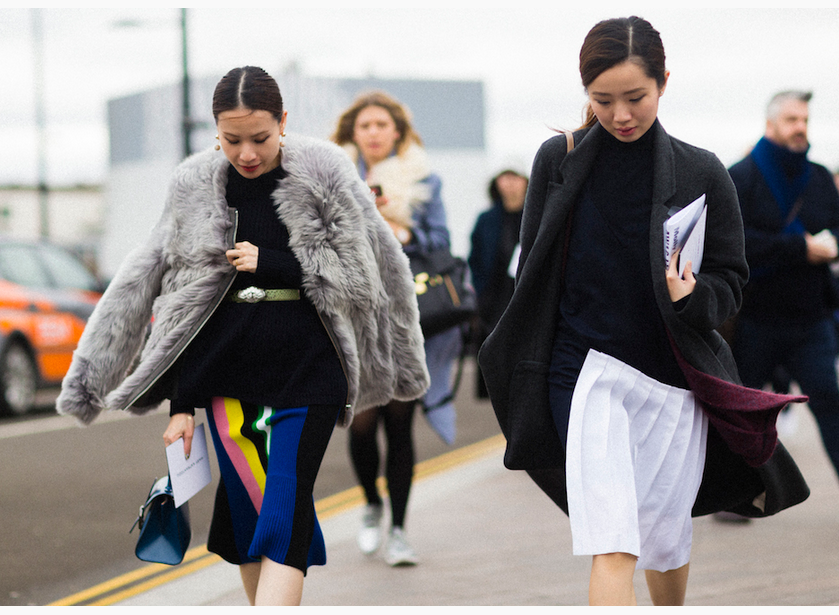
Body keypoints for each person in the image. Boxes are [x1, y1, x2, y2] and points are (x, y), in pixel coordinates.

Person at [56, 66, 429, 606]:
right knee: (247, 520)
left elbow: (362, 277)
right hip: (227, 374)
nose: (247, 153)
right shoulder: (193, 184)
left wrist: (273, 263)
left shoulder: (325, 170)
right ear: (215, 131)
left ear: (283, 121)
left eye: (260, 137)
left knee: (281, 512)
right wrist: (181, 405)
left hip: (309, 368)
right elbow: (181, 300)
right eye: (232, 140)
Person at [478, 16, 809, 606]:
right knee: (614, 543)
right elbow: (532, 274)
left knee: (664, 542)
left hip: (670, 379)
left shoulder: (701, 169)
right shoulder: (559, 160)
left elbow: (732, 279)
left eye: (636, 97)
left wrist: (693, 296)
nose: (620, 114)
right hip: (582, 376)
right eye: (602, 100)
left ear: (664, 83)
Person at [727, 90, 839, 529]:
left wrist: (831, 246)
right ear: (770, 124)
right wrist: (800, 248)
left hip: (811, 318)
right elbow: (735, 241)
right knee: (744, 411)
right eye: (791, 119)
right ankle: (736, 495)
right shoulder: (741, 176)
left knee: (830, 404)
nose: (800, 127)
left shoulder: (820, 177)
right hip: (756, 318)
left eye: (804, 119)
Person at [332, 91, 462, 566]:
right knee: (362, 423)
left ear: (397, 133)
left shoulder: (424, 179)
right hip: (351, 315)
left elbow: (442, 241)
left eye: (381, 125)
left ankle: (401, 530)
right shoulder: (330, 175)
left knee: (401, 421)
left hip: (407, 314)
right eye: (363, 126)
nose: (372, 133)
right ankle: (371, 504)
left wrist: (400, 227)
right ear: (352, 133)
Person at [468, 169, 529, 398]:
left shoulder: (538, 214)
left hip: (526, 299)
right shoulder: (487, 219)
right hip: (493, 301)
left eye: (516, 177)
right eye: (505, 177)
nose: (511, 184)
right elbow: (475, 259)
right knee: (497, 369)